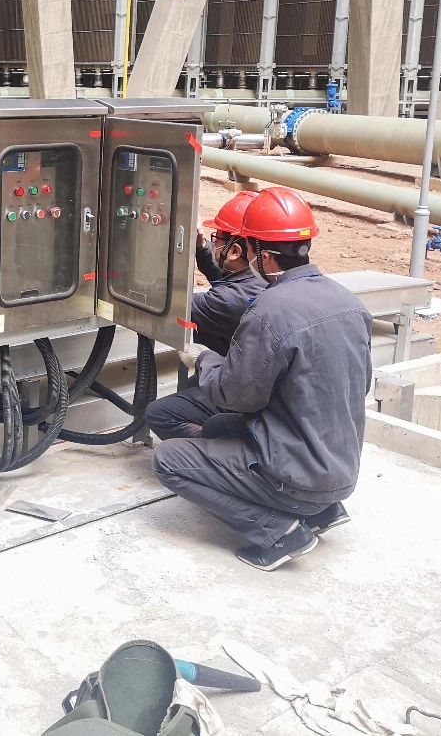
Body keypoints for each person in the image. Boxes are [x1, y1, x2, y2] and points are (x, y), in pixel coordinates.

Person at [152, 187, 373, 571]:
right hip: (341, 467)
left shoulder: (268, 312)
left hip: (298, 475)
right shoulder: (348, 302)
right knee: (217, 427)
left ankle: (278, 531)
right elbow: (359, 385)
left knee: (168, 460)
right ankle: (324, 510)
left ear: (262, 255)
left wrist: (205, 360)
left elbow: (234, 396)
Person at [145, 190, 266, 440]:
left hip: (243, 391)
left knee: (160, 413)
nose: (214, 244)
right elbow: (224, 275)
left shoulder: (229, 300)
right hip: (257, 383)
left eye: (217, 239)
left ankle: (228, 447)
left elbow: (170, 303)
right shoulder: (259, 278)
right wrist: (200, 246)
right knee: (194, 385)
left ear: (235, 251)